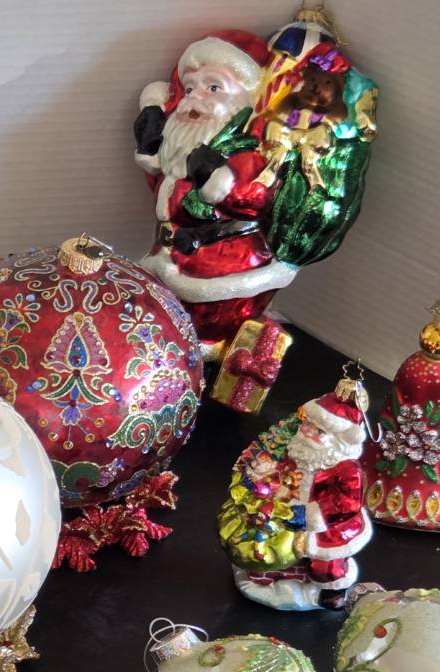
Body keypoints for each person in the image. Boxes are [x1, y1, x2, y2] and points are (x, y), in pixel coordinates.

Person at [133, 31, 297, 354]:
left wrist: (213, 176)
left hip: (221, 273)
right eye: (190, 88)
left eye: (213, 87)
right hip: (169, 260)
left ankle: (211, 347)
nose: (195, 98)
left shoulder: (248, 153)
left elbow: (252, 194)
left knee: (205, 328)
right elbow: (165, 187)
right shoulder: (181, 153)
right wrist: (152, 131)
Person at [217, 376, 373, 610]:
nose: (307, 432)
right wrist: (268, 477)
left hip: (329, 526)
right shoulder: (301, 449)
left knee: (324, 564)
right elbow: (286, 470)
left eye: (318, 430)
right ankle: (270, 571)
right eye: (307, 424)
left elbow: (345, 503)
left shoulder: (347, 469)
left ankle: (333, 591)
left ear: (339, 440)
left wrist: (308, 516)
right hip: (289, 508)